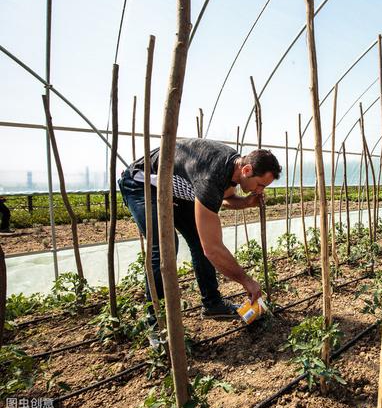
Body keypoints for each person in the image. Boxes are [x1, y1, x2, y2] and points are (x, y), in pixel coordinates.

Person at [118, 138, 281, 325]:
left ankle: (213, 305)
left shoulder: (232, 167)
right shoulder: (211, 176)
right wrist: (246, 281)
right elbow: (212, 249)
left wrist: (245, 202)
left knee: (197, 238)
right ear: (246, 170)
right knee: (165, 245)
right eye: (260, 184)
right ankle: (156, 322)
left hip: (176, 188)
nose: (260, 190)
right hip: (142, 185)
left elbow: (224, 199)